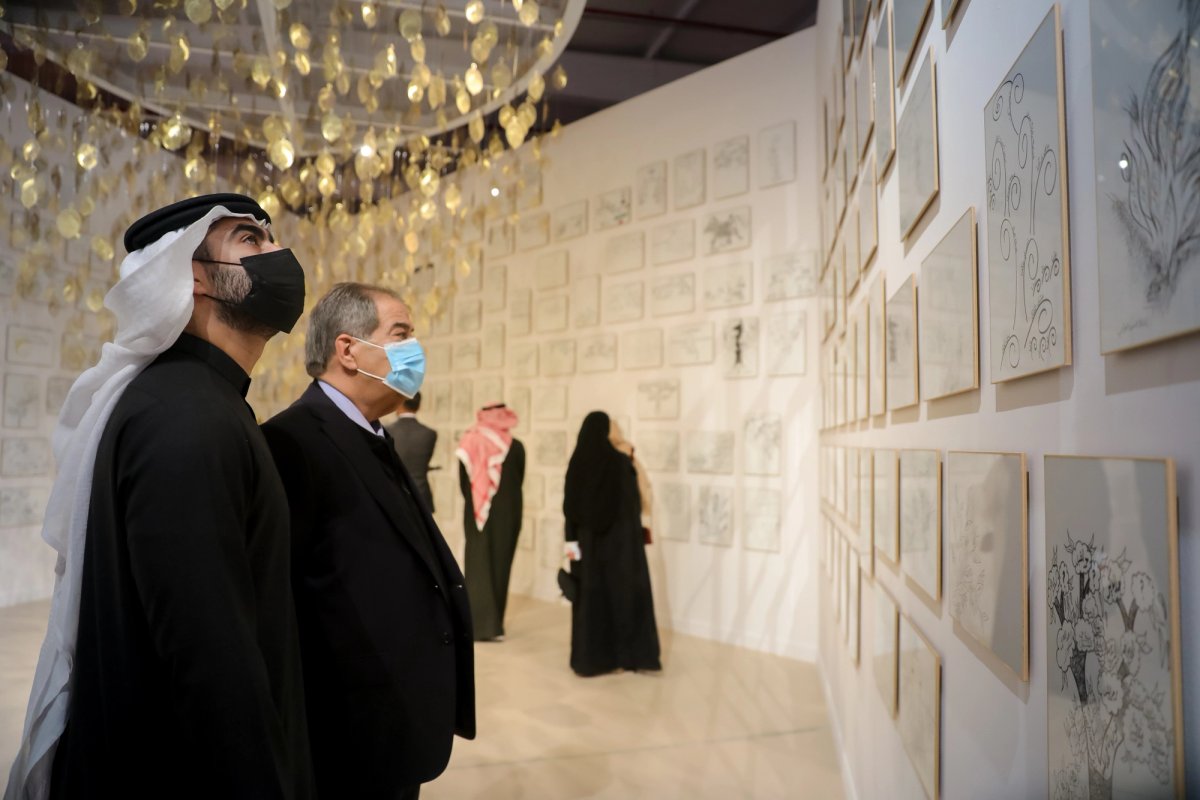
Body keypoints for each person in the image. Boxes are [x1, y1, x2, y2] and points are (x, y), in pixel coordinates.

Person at [6, 194, 314, 800]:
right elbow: (211, 663)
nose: (278, 251)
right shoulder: (186, 416)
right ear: (195, 277)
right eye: (250, 239)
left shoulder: (200, 400)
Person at [261, 282, 475, 799]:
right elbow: (281, 604)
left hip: (395, 723)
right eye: (401, 334)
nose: (414, 350)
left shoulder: (374, 432)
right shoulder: (292, 441)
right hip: (348, 735)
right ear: (348, 350)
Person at [562, 411, 662, 677]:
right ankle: (624, 657)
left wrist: (571, 548)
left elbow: (569, 510)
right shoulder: (619, 463)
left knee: (590, 604)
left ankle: (588, 661)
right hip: (619, 548)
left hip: (586, 549)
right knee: (621, 600)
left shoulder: (577, 463)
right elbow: (632, 507)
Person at [456, 403, 524, 641]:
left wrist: (476, 501)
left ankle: (477, 625)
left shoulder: (468, 442)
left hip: (476, 512)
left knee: (477, 563)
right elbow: (519, 478)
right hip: (509, 512)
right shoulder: (516, 446)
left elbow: (464, 482)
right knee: (500, 564)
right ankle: (494, 626)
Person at [386, 391, 438, 512]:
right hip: (421, 495)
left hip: (394, 494)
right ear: (418, 406)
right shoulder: (430, 433)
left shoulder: (387, 431)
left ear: (399, 404)